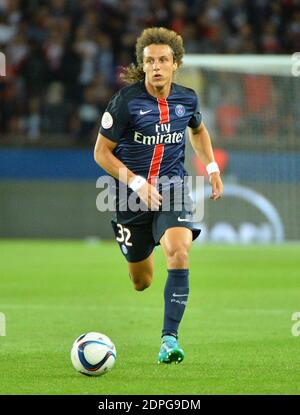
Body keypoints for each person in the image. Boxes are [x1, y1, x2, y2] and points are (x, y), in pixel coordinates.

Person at [94, 27, 223, 364]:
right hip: (129, 197)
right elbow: (101, 153)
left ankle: (169, 340)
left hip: (172, 189)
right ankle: (142, 243)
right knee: (142, 282)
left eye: (163, 60)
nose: (156, 66)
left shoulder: (187, 99)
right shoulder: (125, 102)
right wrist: (136, 183)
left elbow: (198, 130)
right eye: (149, 61)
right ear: (143, 65)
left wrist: (211, 168)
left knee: (179, 251)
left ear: (175, 63)